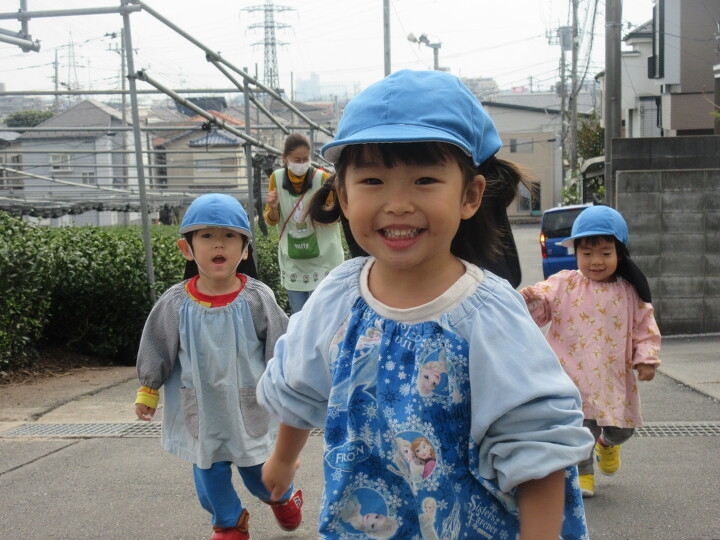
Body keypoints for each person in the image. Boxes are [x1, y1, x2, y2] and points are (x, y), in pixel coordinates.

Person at [257, 69, 595, 539]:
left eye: (424, 180)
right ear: (344, 197)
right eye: (373, 180)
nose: (397, 203)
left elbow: (536, 444)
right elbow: (301, 380)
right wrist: (283, 458)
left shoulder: (487, 312)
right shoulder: (338, 296)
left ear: (470, 196)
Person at [133, 193, 303, 540]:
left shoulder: (257, 298)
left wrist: (289, 386)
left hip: (249, 405)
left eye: (229, 236)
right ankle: (228, 522)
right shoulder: (175, 303)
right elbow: (157, 344)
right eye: (206, 236)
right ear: (187, 248)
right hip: (203, 407)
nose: (218, 244)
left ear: (245, 249)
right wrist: (148, 388)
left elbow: (281, 344)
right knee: (208, 471)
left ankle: (281, 496)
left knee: (259, 471)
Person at [520, 205, 661, 498]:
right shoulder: (564, 284)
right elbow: (539, 312)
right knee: (581, 428)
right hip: (571, 376)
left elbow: (645, 327)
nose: (596, 261)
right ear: (576, 253)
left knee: (623, 429)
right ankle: (583, 475)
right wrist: (530, 299)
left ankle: (607, 444)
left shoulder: (629, 291)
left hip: (612, 378)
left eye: (605, 253)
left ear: (619, 253)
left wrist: (646, 358)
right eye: (587, 253)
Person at [263, 133, 345, 313]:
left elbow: (336, 216)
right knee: (299, 315)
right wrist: (273, 207)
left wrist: (321, 210)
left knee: (322, 314)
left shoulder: (322, 178)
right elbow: (271, 219)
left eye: (305, 159)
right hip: (294, 262)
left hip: (323, 260)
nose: (301, 164)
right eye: (296, 160)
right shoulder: (276, 179)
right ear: (285, 158)